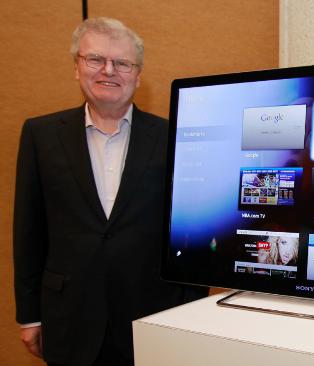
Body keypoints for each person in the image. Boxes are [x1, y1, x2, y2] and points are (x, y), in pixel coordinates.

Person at [13, 17, 206, 366]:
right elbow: (28, 232)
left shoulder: (173, 138)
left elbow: (192, 232)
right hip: (67, 318)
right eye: (95, 59)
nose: (109, 71)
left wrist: (189, 308)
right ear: (77, 66)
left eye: (122, 63)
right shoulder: (40, 135)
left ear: (137, 73)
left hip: (150, 314)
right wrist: (29, 316)